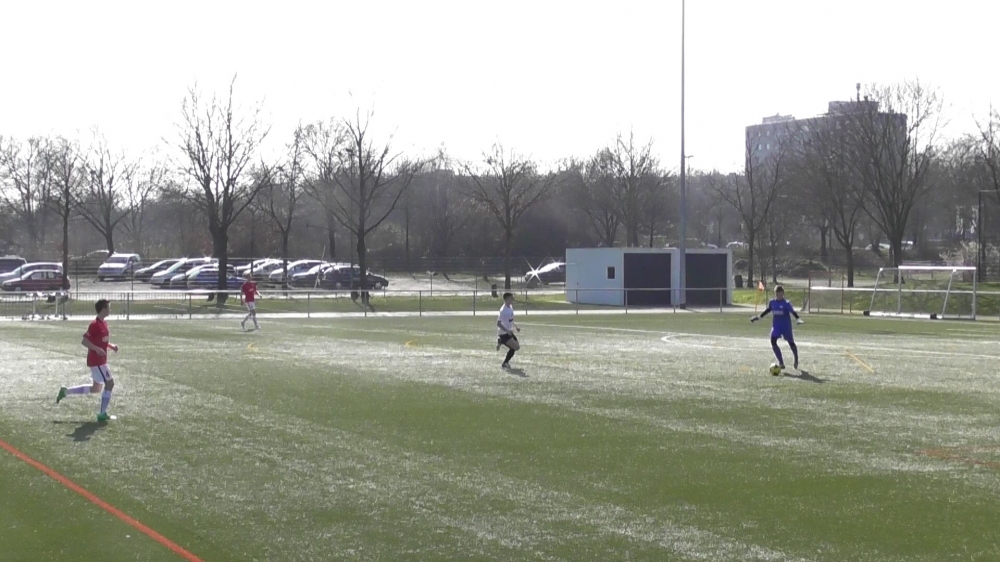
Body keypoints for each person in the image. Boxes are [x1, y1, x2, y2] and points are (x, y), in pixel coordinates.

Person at [55, 299, 118, 422]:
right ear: (103, 309)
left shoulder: (104, 324)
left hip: (101, 361)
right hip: (97, 361)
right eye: (108, 307)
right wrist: (97, 349)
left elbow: (102, 342)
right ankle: (102, 414)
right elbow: (84, 341)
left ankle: (65, 391)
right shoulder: (94, 325)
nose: (110, 310)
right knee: (110, 384)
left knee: (96, 388)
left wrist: (111, 346)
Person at [751, 285, 803, 371]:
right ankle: (781, 362)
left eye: (781, 294)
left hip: (786, 327)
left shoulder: (786, 303)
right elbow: (767, 311)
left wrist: (798, 319)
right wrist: (757, 317)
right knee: (773, 341)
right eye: (777, 294)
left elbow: (793, 312)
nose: (779, 296)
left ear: (783, 294)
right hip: (776, 326)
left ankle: (796, 358)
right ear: (775, 294)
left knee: (791, 343)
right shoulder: (772, 303)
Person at [495, 292, 521, 369]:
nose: (513, 299)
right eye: (511, 298)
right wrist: (507, 330)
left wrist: (516, 326)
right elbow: (498, 323)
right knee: (515, 347)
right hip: (503, 333)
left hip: (509, 332)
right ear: (506, 299)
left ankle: (500, 342)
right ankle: (505, 363)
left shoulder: (510, 307)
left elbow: (510, 320)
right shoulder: (503, 310)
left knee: (517, 347)